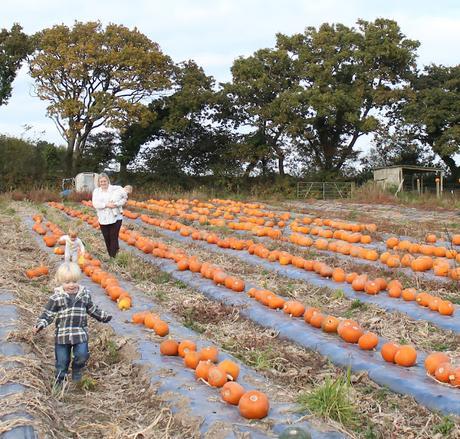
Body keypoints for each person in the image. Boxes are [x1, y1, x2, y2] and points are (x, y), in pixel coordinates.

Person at [34, 263, 112, 385]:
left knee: (82, 355)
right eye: (67, 282)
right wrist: (41, 323)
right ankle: (60, 382)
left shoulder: (84, 295)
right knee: (62, 361)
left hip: (80, 334)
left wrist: (103, 317)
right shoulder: (56, 298)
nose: (71, 285)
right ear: (60, 281)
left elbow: (92, 309)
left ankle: (77, 371)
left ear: (79, 280)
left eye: (74, 281)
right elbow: (48, 313)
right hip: (62, 336)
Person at [92, 173, 128, 258]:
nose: (103, 183)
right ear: (99, 182)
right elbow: (95, 204)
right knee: (107, 237)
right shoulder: (96, 191)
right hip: (103, 218)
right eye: (101, 181)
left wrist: (116, 204)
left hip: (116, 217)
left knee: (113, 237)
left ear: (108, 180)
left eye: (104, 181)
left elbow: (124, 198)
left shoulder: (116, 189)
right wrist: (107, 205)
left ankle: (113, 257)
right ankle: (112, 253)